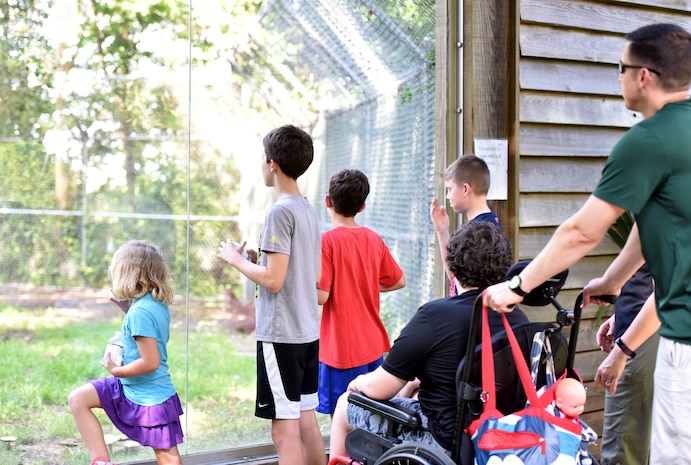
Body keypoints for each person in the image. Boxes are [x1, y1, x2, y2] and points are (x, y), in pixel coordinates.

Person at [482, 23, 691, 465]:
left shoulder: (650, 140)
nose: (619, 78)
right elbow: (657, 217)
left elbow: (583, 231)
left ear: (644, 76)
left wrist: (518, 287)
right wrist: (614, 279)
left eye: (622, 68)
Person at [329, 221, 528, 459]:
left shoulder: (435, 316)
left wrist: (360, 382)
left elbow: (380, 388)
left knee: (344, 405)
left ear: (453, 267)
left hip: (443, 441)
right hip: (494, 432)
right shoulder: (517, 318)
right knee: (410, 390)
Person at [217, 124, 324, 465]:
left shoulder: (279, 212)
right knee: (306, 421)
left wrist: (234, 260)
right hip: (307, 333)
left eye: (263, 160)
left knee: (283, 431)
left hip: (282, 335)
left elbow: (275, 281)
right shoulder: (306, 209)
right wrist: (254, 260)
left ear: (272, 163)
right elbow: (306, 273)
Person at [67, 240, 184, 465]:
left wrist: (116, 371)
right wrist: (129, 311)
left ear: (127, 274)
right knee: (78, 398)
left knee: (167, 458)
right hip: (135, 387)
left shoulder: (140, 312)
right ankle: (101, 461)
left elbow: (150, 362)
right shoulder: (153, 303)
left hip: (151, 397)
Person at [316, 168, 406, 416]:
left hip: (341, 349)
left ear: (327, 201)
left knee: (342, 418)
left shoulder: (327, 241)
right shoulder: (373, 239)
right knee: (371, 419)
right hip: (372, 346)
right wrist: (363, 283)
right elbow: (399, 281)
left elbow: (320, 296)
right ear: (363, 206)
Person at [595, 265, 656, 465]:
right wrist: (620, 315)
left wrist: (622, 350)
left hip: (643, 342)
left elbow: (668, 290)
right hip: (647, 331)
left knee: (622, 453)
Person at [430, 154, 501, 296]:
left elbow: (470, 290)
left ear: (466, 189)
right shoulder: (483, 224)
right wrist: (442, 231)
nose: (448, 196)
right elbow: (456, 275)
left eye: (450, 189)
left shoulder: (483, 233)